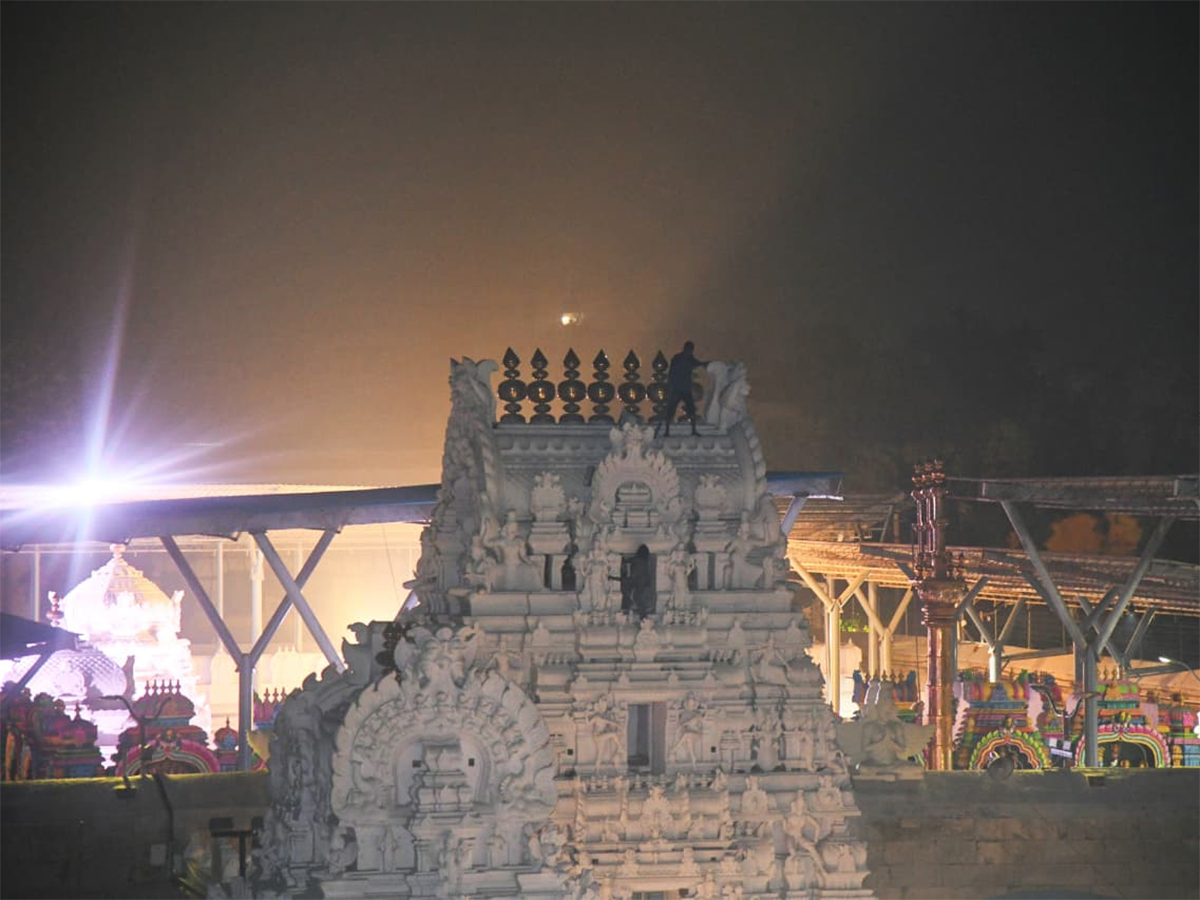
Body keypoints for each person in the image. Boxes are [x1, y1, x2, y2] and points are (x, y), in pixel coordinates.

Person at [660, 341, 707, 437]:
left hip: (685, 389)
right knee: (670, 411)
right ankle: (667, 431)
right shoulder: (677, 358)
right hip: (677, 389)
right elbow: (671, 373)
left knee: (691, 410)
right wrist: (670, 386)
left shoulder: (689, 359)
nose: (689, 352)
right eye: (689, 350)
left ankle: (693, 430)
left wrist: (706, 363)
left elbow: (697, 363)